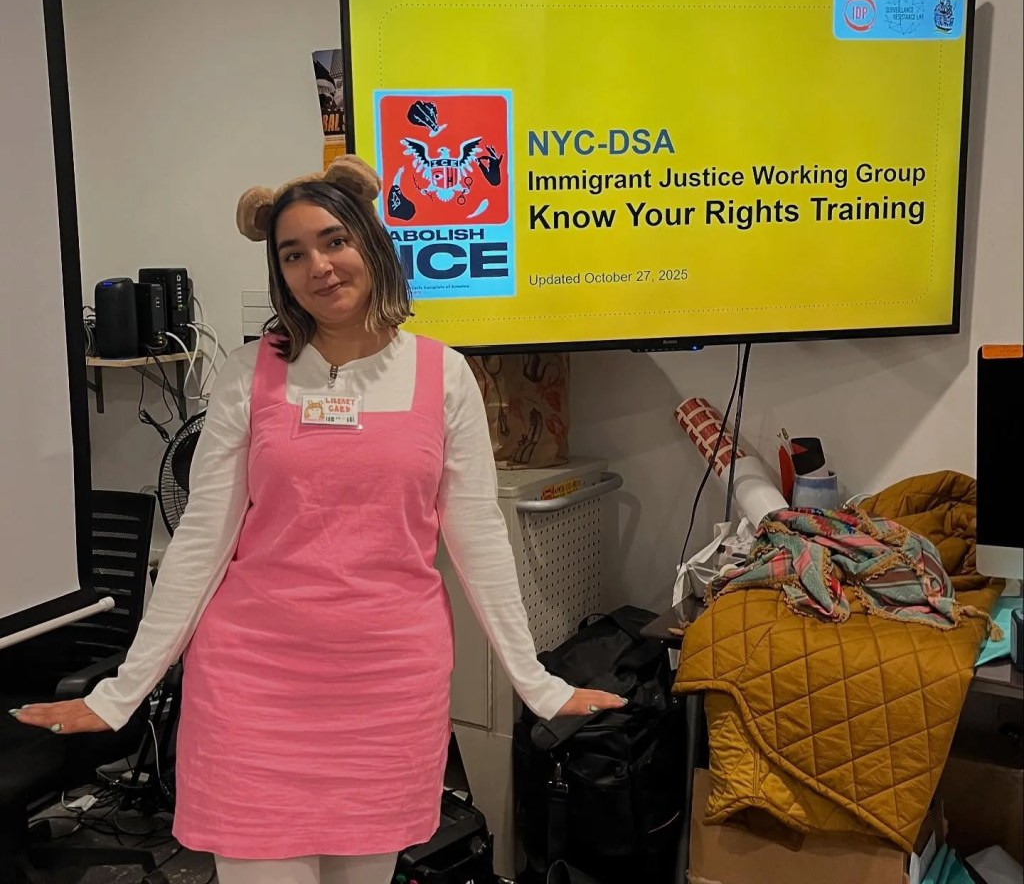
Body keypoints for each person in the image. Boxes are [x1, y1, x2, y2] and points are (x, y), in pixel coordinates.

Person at [13, 155, 625, 884]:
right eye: (294, 253)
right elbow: (202, 539)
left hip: (387, 683)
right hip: (254, 682)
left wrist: (538, 684)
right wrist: (121, 693)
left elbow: (478, 539)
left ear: (370, 241)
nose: (319, 266)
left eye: (334, 240)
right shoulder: (250, 373)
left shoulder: (444, 373)